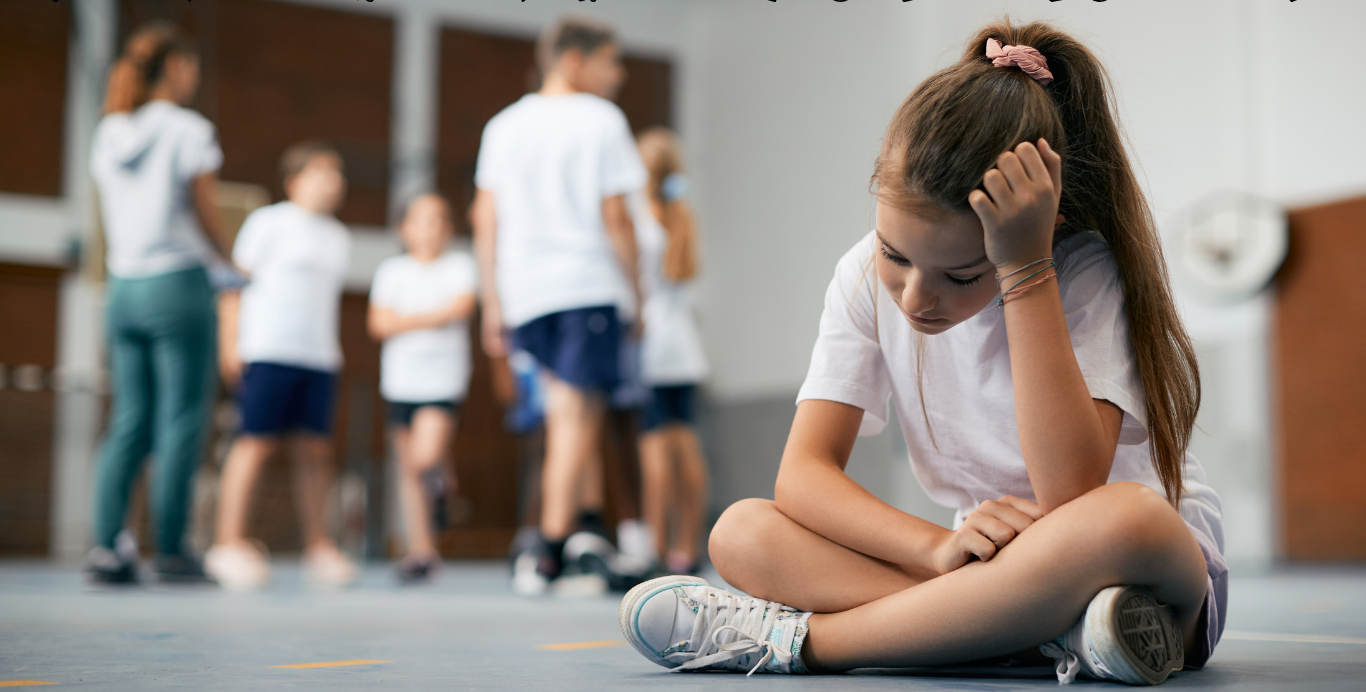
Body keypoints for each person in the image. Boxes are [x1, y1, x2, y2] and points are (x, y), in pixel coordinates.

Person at [619, 21, 1225, 686]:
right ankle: (1044, 632)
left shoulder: (1079, 270)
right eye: (893, 255)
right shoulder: (857, 277)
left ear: (1035, 227)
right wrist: (933, 546)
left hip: (1133, 564)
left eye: (962, 276)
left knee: (1127, 518)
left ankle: (807, 642)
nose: (915, 297)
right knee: (741, 532)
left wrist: (1025, 269)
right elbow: (803, 477)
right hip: (988, 569)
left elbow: (1072, 492)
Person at [471, 15, 648, 595]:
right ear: (575, 61)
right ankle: (546, 547)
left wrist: (493, 300)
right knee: (575, 414)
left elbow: (485, 217)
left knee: (575, 408)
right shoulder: (600, 119)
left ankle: (589, 531)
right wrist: (638, 292)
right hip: (585, 284)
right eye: (610, 62)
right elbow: (617, 217)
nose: (617, 75)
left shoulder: (503, 125)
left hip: (527, 293)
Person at [87, 23, 230, 584]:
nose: (193, 76)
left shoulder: (110, 130)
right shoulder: (189, 129)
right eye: (190, 66)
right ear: (173, 68)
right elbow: (203, 207)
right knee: (181, 419)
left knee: (128, 419)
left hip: (122, 287)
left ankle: (109, 547)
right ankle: (171, 549)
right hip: (177, 284)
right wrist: (233, 262)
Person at [204, 142, 355, 591]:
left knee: (316, 451)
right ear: (294, 181)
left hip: (319, 356)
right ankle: (228, 543)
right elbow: (234, 285)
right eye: (323, 171)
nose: (334, 181)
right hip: (267, 350)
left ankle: (320, 545)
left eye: (338, 173)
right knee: (254, 443)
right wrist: (230, 343)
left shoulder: (338, 237)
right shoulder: (267, 222)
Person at [367, 194, 478, 583]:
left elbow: (461, 308)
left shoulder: (460, 266)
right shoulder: (392, 270)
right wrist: (434, 317)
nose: (429, 229)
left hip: (442, 379)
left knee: (423, 458)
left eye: (438, 220)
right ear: (404, 229)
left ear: (448, 229)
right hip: (400, 381)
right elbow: (379, 324)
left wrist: (406, 319)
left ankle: (443, 481)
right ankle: (422, 551)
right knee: (409, 471)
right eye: (420, 220)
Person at [632, 128, 711, 576]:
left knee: (654, 447)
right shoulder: (682, 217)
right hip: (685, 346)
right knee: (686, 443)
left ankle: (655, 548)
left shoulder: (641, 218)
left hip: (652, 345)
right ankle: (686, 546)